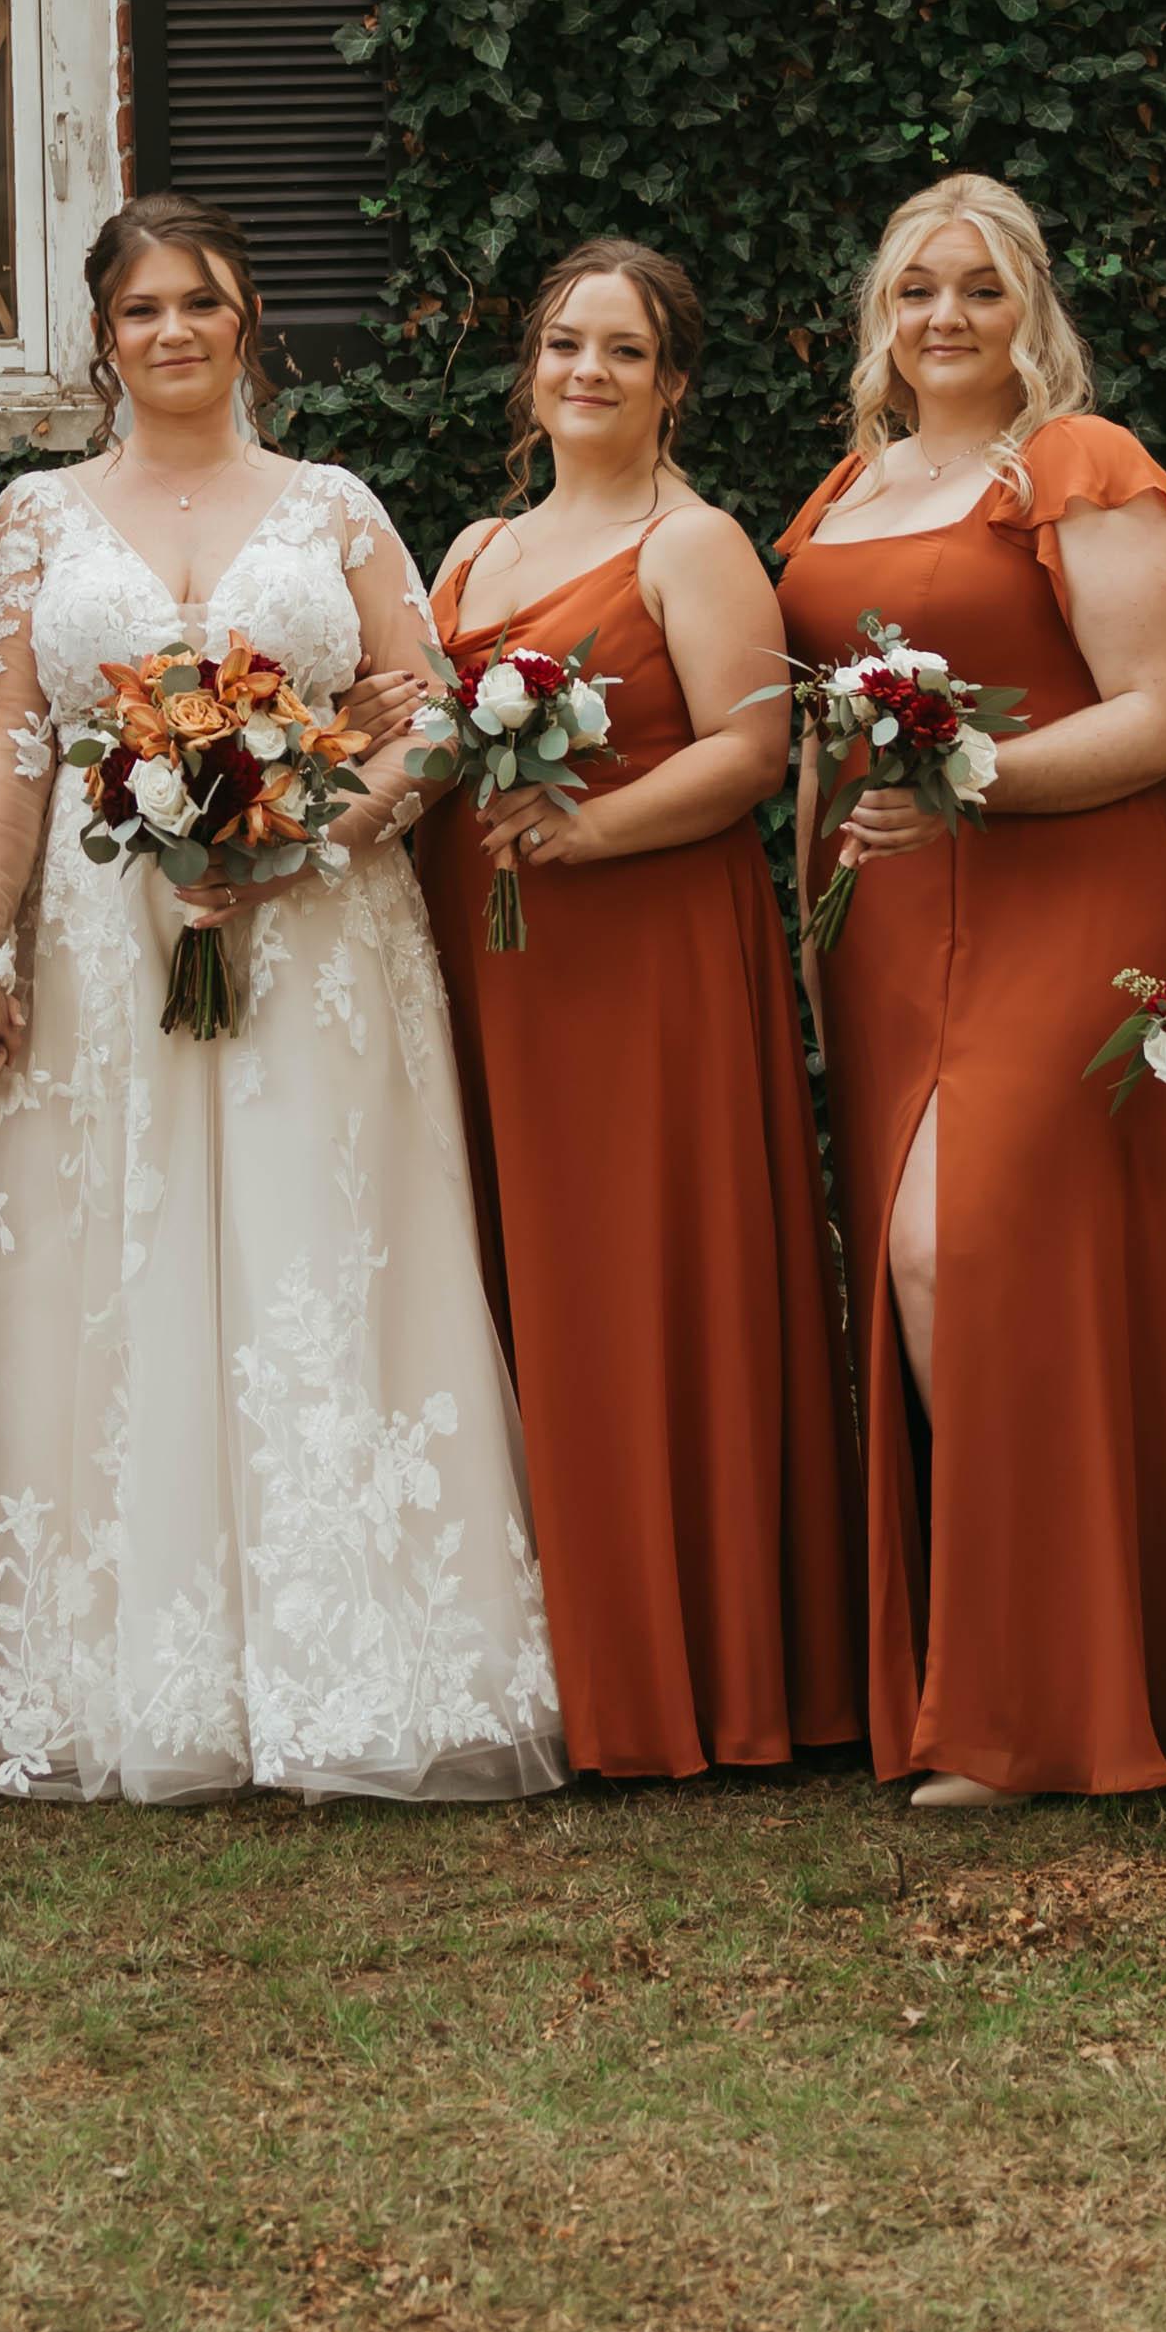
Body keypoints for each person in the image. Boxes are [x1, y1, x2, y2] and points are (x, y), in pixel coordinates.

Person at [0, 196, 560, 1806]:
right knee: (115, 1258)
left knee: (312, 1250)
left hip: (320, 935)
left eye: (198, 303)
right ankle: (128, 1674)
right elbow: (10, 746)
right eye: (139, 308)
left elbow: (428, 715)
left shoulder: (332, 505)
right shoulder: (39, 515)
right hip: (103, 936)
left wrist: (310, 830)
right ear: (102, 337)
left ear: (246, 319)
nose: (171, 332)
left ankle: (351, 1667)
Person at [776, 170, 1166, 1812]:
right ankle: (1013, 1664)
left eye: (979, 287)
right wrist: (811, 922)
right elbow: (818, 730)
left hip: (1064, 896)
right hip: (885, 922)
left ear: (1029, 307)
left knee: (963, 1249)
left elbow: (1165, 715)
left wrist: (968, 782)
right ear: (879, 310)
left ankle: (1037, 1693)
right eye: (916, 286)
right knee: (926, 1270)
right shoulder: (845, 489)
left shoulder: (1077, 463)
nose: (945, 315)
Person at [420, 243, 863, 1783]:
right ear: (530, 368)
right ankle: (554, 1659)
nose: (586, 372)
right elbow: (424, 736)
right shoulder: (475, 547)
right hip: (497, 952)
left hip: (648, 953)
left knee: (642, 1276)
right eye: (563, 343)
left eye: (622, 349)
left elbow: (749, 753)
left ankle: (695, 1670)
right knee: (522, 1274)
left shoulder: (696, 540)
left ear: (672, 382)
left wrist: (592, 830)